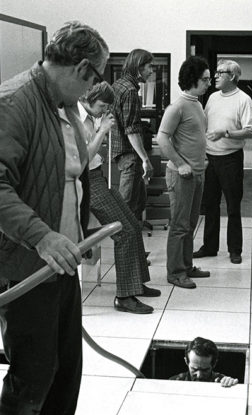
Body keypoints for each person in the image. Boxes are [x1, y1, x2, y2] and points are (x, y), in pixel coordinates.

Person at [0, 22, 108, 415]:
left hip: (59, 264)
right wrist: (43, 237)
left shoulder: (61, 106)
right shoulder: (13, 102)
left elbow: (68, 176)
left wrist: (82, 228)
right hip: (25, 265)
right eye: (96, 77)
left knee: (64, 377)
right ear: (82, 68)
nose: (93, 88)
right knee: (32, 381)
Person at [80, 81, 159, 314]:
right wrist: (103, 130)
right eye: (102, 105)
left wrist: (100, 126)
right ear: (88, 99)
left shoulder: (91, 116)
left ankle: (136, 284)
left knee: (133, 225)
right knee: (123, 231)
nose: (104, 111)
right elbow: (83, 159)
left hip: (97, 176)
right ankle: (124, 297)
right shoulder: (75, 118)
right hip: (86, 181)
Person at [193, 59, 252, 265]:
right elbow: (204, 124)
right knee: (210, 205)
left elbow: (249, 130)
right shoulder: (211, 98)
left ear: (233, 77)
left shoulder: (243, 99)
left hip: (231, 159)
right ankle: (210, 247)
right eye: (216, 72)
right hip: (210, 159)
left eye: (221, 72)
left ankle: (234, 250)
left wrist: (225, 133)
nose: (216, 76)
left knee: (232, 206)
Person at [157, 56, 211, 289]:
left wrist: (202, 159)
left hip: (197, 173)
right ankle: (176, 272)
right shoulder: (177, 106)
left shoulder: (197, 104)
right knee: (180, 225)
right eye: (205, 79)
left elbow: (195, 137)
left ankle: (186, 266)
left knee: (190, 223)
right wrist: (180, 164)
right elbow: (162, 138)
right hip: (181, 175)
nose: (209, 83)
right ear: (193, 80)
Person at [110, 49, 155, 222]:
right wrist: (145, 159)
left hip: (121, 152)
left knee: (137, 205)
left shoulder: (118, 85)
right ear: (138, 67)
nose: (151, 71)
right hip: (130, 155)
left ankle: (136, 248)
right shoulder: (130, 91)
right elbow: (132, 129)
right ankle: (127, 247)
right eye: (149, 67)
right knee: (127, 210)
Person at [170, 337, 239, 387]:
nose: (199, 375)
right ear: (186, 362)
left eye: (205, 370)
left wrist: (231, 385)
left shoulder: (221, 381)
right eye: (194, 369)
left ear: (214, 364)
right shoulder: (173, 382)